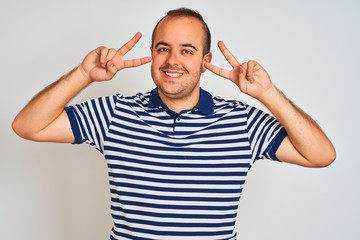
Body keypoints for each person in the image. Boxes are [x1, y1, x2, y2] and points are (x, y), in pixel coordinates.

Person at [12, 7, 335, 240]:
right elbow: (28, 126)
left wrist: (268, 94)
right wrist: (83, 75)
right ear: (152, 54)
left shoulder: (243, 122)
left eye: (187, 50)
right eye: (163, 48)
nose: (172, 61)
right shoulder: (114, 114)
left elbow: (320, 155)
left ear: (205, 62)